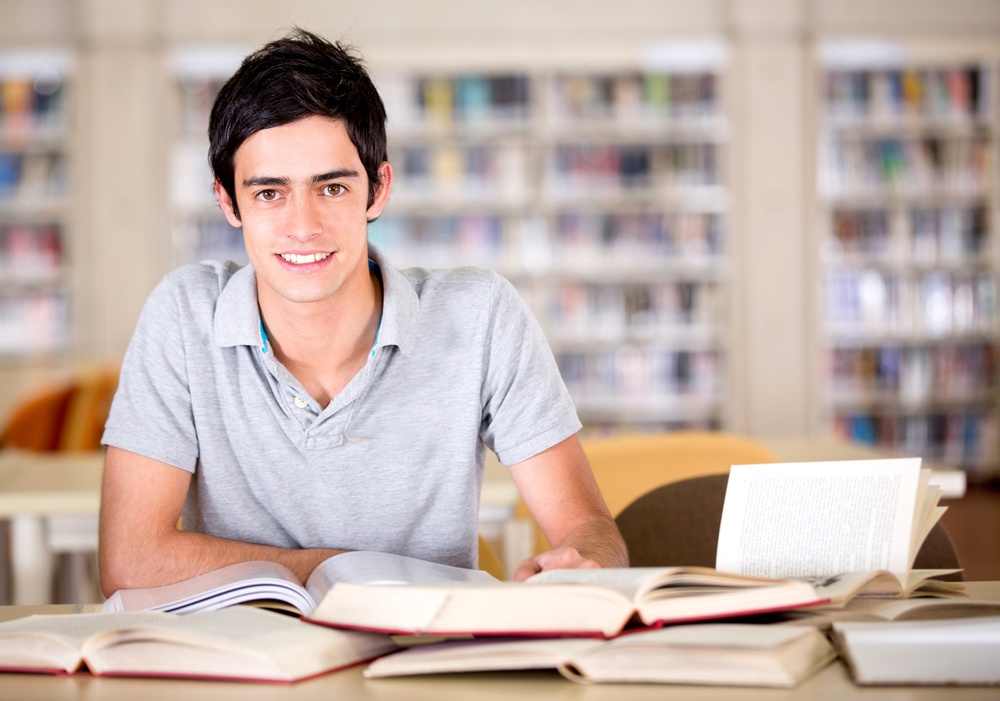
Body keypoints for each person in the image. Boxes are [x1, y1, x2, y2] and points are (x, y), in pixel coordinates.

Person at [98, 28, 627, 596]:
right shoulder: (183, 315)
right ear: (228, 202)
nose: (303, 226)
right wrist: (360, 573)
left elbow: (590, 531)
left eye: (331, 188)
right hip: (247, 674)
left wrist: (588, 561)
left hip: (421, 665)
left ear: (378, 189)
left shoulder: (481, 315)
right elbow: (131, 563)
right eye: (269, 193)